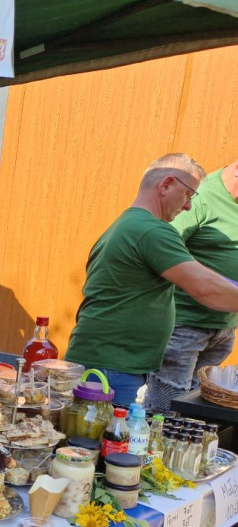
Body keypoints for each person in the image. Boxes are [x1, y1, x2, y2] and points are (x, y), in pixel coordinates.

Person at [65, 153, 238, 407]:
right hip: (113, 367)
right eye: (188, 194)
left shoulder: (128, 222)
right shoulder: (153, 231)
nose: (189, 206)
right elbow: (206, 288)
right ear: (166, 184)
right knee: (108, 444)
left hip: (111, 362)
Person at [146, 158, 238, 411]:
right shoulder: (201, 196)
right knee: (166, 410)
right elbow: (164, 249)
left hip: (224, 328)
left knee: (194, 410)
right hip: (185, 324)